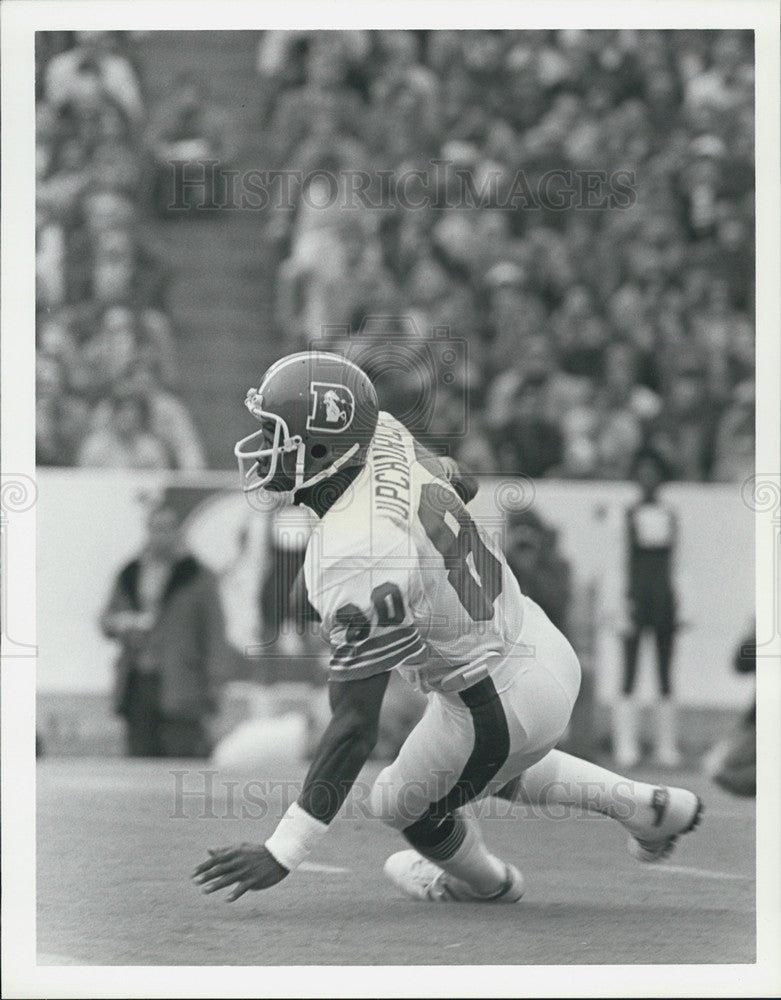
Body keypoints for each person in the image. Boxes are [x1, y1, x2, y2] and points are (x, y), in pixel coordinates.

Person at [193, 351, 702, 904]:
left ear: (319, 449)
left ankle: (484, 882)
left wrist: (283, 848)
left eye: (275, 434)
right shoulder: (380, 432)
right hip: (538, 642)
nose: (263, 448)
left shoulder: (351, 549)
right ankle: (645, 807)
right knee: (475, 767)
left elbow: (356, 724)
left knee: (399, 800)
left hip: (493, 705)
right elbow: (463, 484)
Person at [101, 502, 227, 757]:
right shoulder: (131, 573)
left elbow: (214, 635)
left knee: (182, 759)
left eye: (168, 528)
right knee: (140, 757)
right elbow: (107, 619)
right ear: (147, 530)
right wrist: (122, 623)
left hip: (183, 682)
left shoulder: (198, 577)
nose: (161, 535)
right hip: (138, 680)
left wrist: (214, 687)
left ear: (179, 531)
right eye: (156, 527)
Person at [613, 447, 682, 768]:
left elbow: (681, 563)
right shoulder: (625, 515)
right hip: (634, 600)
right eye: (643, 472)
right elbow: (617, 562)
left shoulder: (671, 514)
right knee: (629, 671)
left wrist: (683, 603)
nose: (648, 479)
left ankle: (666, 745)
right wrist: (618, 604)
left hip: (664, 600)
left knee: (665, 672)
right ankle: (625, 744)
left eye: (654, 473)